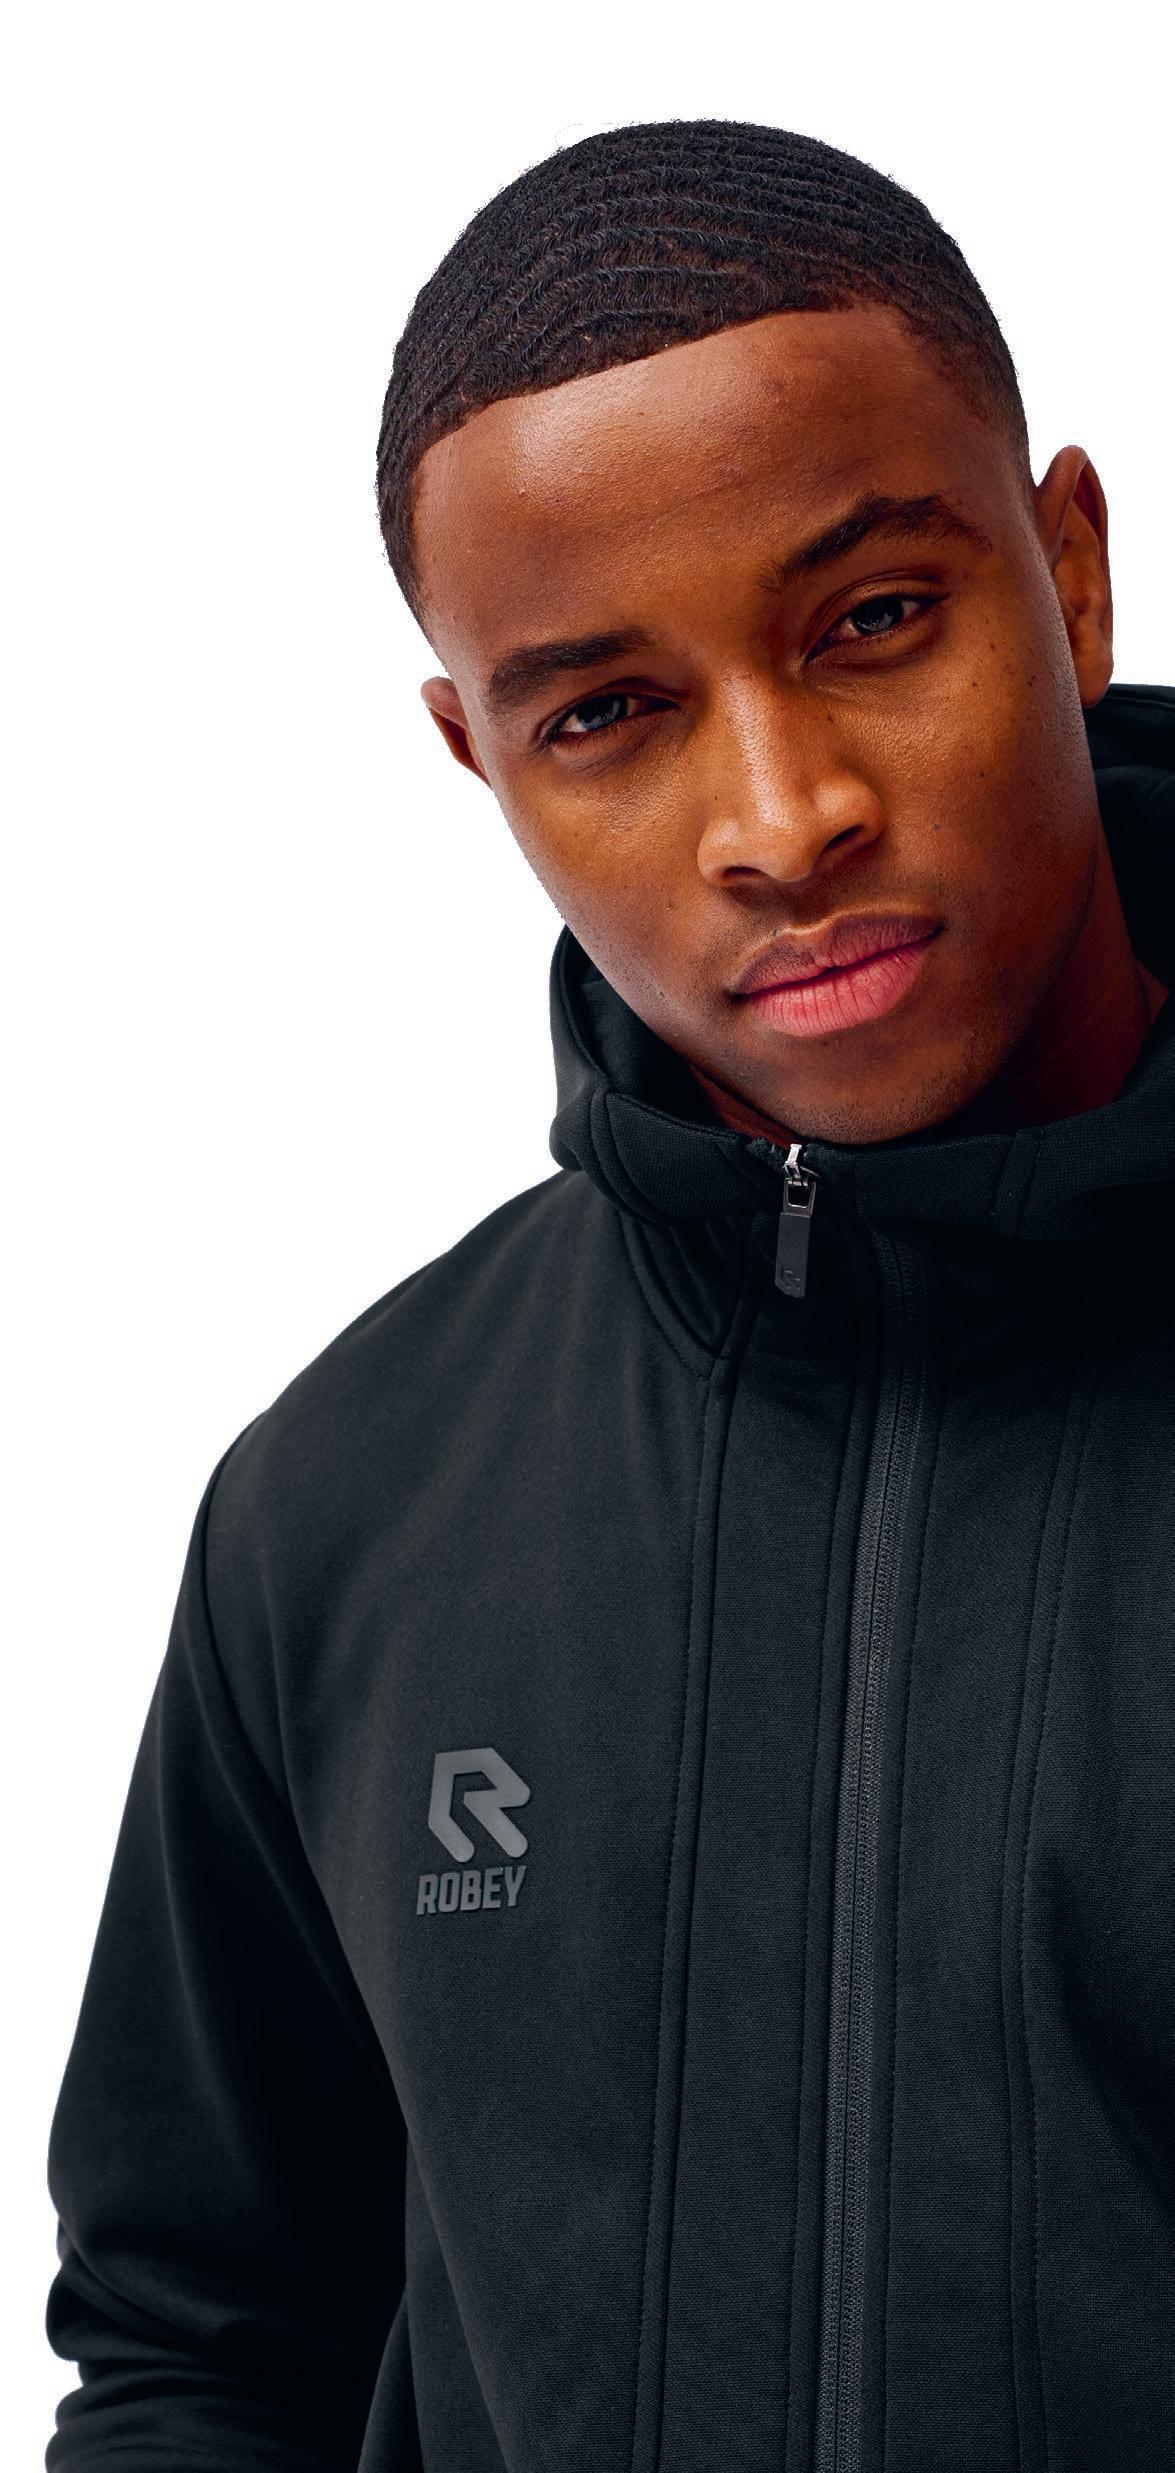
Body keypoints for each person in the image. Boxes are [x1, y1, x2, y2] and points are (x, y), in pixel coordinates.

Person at [43, 116, 1175, 2473]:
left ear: (1070, 573)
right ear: (478, 753)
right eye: (607, 714)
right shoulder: (347, 1508)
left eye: (876, 619)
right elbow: (201, 2337)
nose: (782, 815)